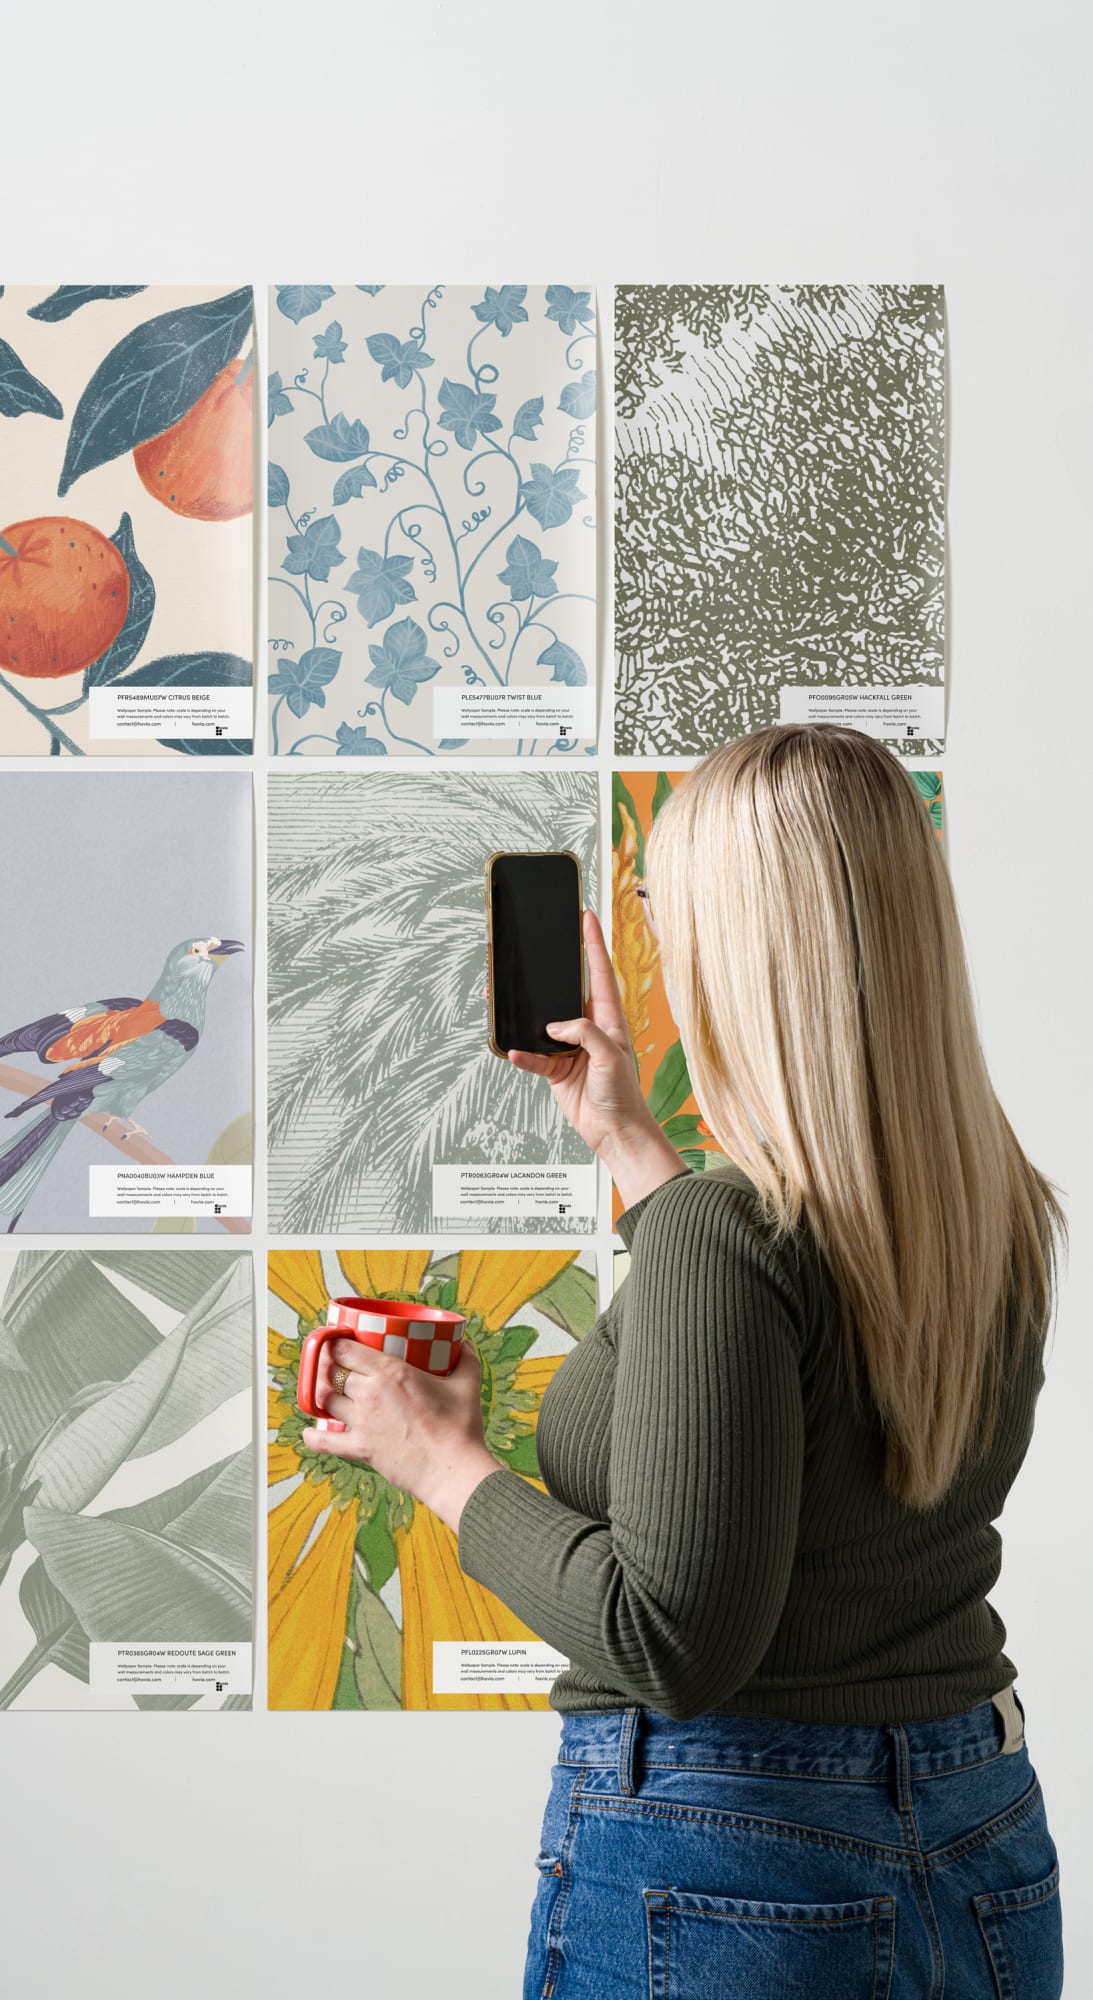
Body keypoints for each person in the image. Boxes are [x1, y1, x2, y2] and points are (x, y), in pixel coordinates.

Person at [302, 724, 1064, 1998]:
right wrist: (627, 1143)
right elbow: (809, 1353)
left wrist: (438, 1461)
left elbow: (670, 1642)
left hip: (734, 1860)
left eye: (664, 905)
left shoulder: (729, 1237)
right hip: (975, 1828)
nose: (651, 941)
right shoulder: (998, 1213)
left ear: (742, 946)